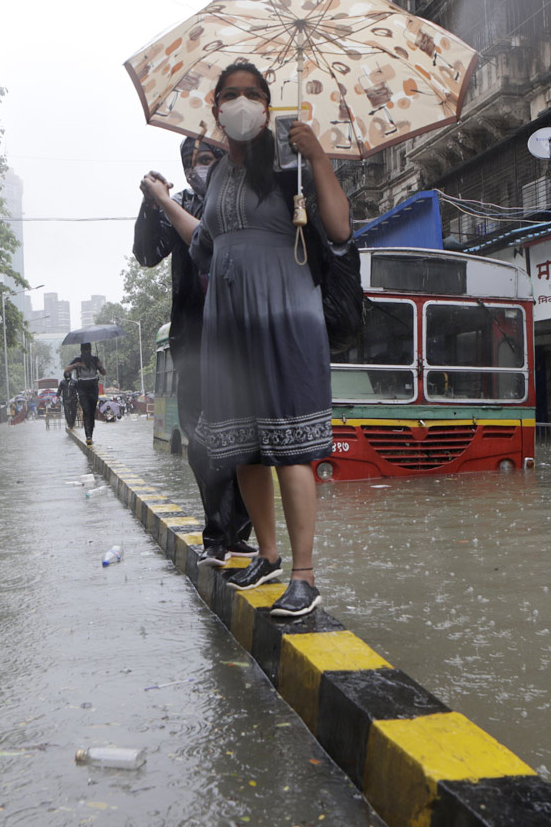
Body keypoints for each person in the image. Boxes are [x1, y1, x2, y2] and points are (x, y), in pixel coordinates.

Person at [188, 61, 352, 619]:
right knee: (242, 447)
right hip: (228, 319)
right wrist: (167, 202)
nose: (241, 104)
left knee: (292, 445)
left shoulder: (289, 165)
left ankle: (305, 575)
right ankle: (269, 553)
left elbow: (338, 229)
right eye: (230, 95)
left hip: (285, 312)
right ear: (215, 108)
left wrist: (320, 158)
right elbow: (206, 242)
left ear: (267, 106)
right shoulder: (213, 176)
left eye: (252, 95)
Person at [135, 136, 256, 568]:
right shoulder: (178, 203)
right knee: (201, 442)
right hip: (193, 341)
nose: (196, 168)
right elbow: (147, 253)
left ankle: (240, 532)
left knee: (244, 440)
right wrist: (153, 205)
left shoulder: (245, 198)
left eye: (205, 159)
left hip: (239, 340)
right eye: (190, 162)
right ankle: (218, 535)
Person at [65, 343, 105, 445]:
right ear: (81, 351)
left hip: (93, 386)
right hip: (82, 387)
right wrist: (76, 365)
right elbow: (66, 370)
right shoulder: (77, 360)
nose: (86, 352)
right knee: (86, 411)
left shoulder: (95, 359)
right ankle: (88, 436)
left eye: (88, 350)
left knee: (91, 412)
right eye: (84, 350)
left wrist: (100, 366)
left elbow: (103, 372)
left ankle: (90, 434)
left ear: (91, 350)